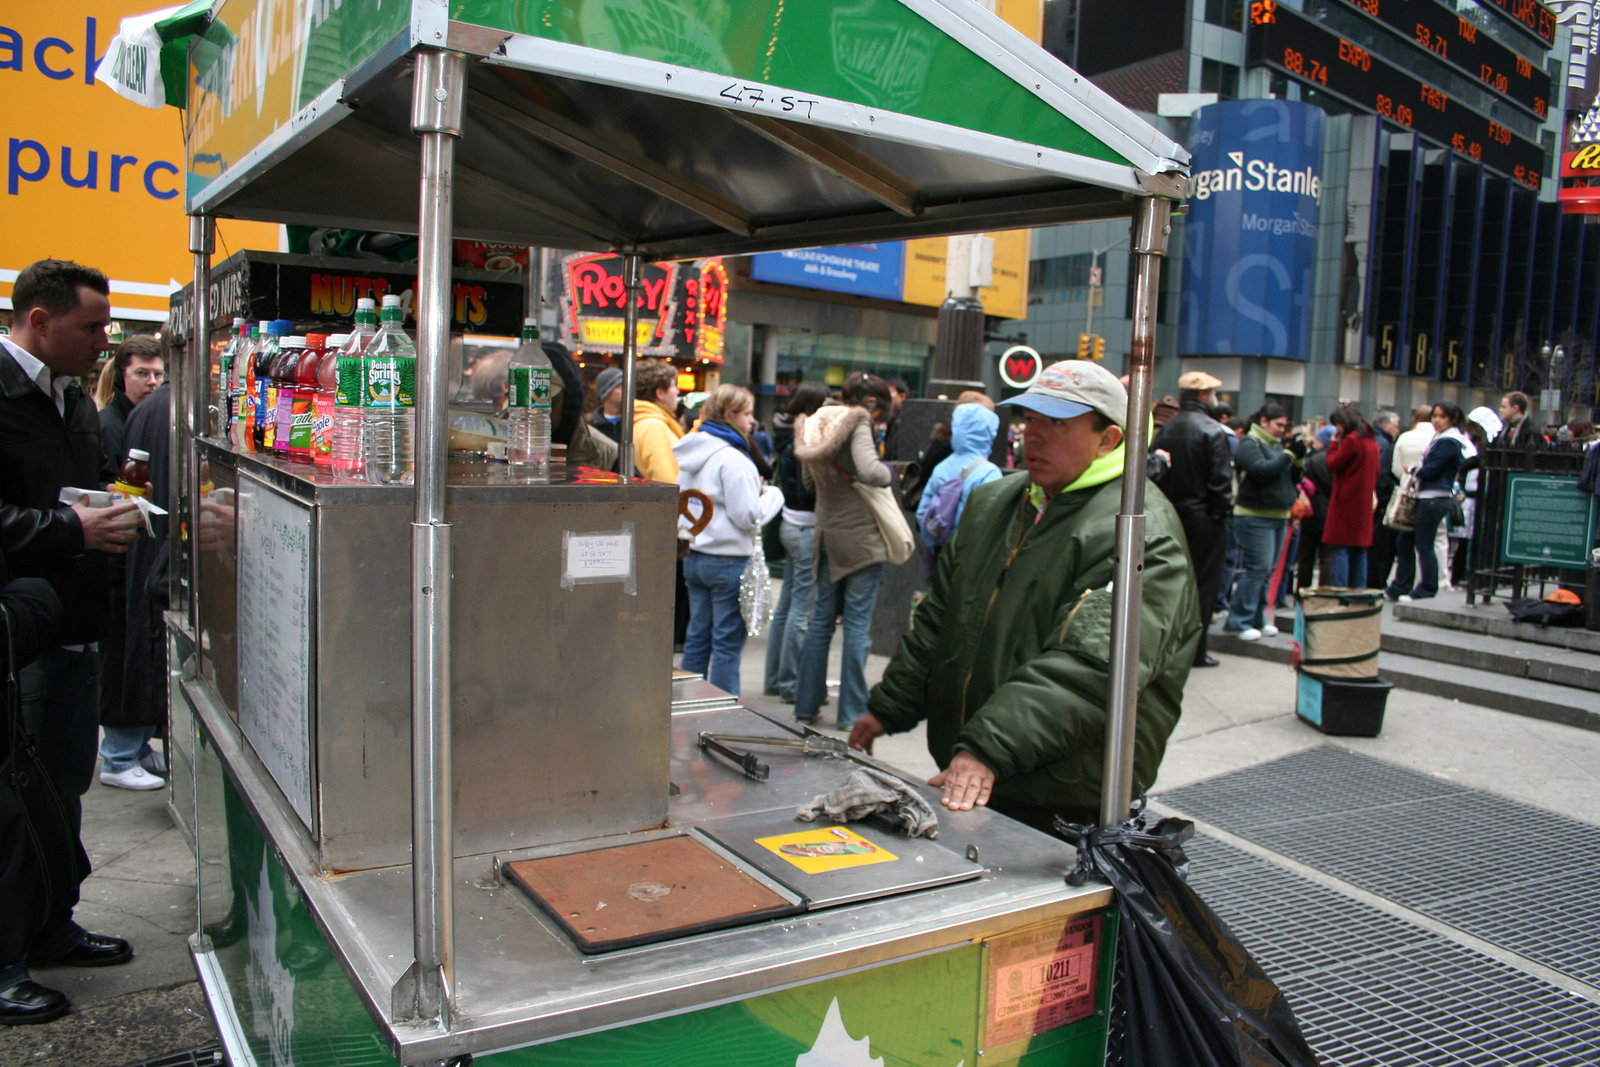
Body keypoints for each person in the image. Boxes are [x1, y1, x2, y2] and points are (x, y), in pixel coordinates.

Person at [850, 360, 1199, 828]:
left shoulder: (1139, 534)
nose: (1033, 435)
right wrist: (888, 707)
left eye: (1057, 424)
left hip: (1065, 792)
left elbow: (1090, 669)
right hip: (974, 773)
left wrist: (987, 748)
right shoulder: (996, 502)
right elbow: (939, 621)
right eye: (1031, 418)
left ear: (1108, 440)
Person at [0, 259, 144, 1008]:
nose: (104, 340)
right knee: (10, 800)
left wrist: (117, 506)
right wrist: (69, 528)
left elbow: (85, 485)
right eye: (92, 327)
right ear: (39, 321)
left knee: (60, 786)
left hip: (78, 623)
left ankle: (53, 921)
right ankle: (5, 958)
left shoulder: (75, 399)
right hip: (17, 634)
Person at [792, 373, 895, 730]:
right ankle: (851, 712)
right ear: (871, 404)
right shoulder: (858, 421)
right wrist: (888, 474)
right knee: (856, 627)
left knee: (821, 622)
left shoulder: (819, 418)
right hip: (861, 539)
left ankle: (806, 705)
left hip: (826, 533)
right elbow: (871, 470)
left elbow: (808, 481)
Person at [673, 385, 782, 696]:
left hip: (694, 556)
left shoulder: (690, 451)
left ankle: (685, 705)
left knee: (697, 636)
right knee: (726, 644)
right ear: (731, 414)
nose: (752, 421)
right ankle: (721, 713)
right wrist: (773, 497)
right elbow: (747, 515)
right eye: (747, 414)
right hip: (728, 560)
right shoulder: (732, 458)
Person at [96, 336, 168, 790]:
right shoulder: (109, 423)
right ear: (121, 373)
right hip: (117, 553)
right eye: (142, 373)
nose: (151, 381)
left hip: (132, 547)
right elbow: (120, 487)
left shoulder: (137, 415)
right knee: (126, 651)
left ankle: (135, 748)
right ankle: (119, 755)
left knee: (136, 653)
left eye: (157, 373)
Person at [1153, 370, 1233, 667]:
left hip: (1173, 516)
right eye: (1212, 392)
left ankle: (1170, 647)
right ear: (1203, 395)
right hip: (1205, 521)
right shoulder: (1212, 431)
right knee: (1203, 587)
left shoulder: (1168, 430)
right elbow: (1220, 484)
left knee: (1172, 584)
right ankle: (1196, 650)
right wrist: (1220, 516)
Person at [762, 382, 829, 704]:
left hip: (790, 525)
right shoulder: (802, 441)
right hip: (804, 529)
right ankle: (790, 684)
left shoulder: (784, 433)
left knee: (788, 604)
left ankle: (775, 679)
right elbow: (807, 491)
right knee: (801, 609)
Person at [1223, 403, 1304, 641]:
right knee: (1257, 569)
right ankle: (1239, 620)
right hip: (1254, 516)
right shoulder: (1250, 444)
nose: (1282, 430)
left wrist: (1297, 461)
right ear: (1264, 421)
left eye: (1284, 425)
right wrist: (1289, 456)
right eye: (1278, 425)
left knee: (1266, 571)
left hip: (1277, 516)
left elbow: (1289, 476)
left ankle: (1257, 618)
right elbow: (1261, 470)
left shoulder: (1275, 446)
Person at [1388, 403, 1472, 602]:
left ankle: (1426, 587)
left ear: (1451, 419)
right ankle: (1401, 586)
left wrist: (1414, 469)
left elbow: (1431, 469)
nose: (1436, 420)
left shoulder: (1449, 441)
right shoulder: (1442, 439)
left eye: (1441, 417)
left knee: (1424, 544)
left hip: (1433, 497)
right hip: (1429, 495)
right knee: (1407, 541)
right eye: (1434, 416)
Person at [914, 400, 1003, 547]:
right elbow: (991, 523)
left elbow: (922, 513)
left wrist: (935, 547)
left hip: (939, 552)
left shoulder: (942, 467)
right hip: (968, 556)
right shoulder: (989, 473)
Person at [1322, 404, 1381, 588]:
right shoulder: (1371, 441)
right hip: (1363, 502)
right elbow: (1377, 470)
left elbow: (1332, 464)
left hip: (1346, 501)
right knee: (1359, 550)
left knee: (1341, 548)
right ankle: (1358, 591)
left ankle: (1340, 590)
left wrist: (1332, 445)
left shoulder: (1351, 441)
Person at [631, 359, 684, 483]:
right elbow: (668, 483)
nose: (677, 391)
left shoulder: (642, 421)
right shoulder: (654, 427)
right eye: (673, 385)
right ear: (660, 393)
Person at [1296, 425, 1335, 593]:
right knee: (1327, 556)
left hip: (1311, 511)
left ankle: (1301, 592)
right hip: (1330, 512)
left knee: (1306, 556)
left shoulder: (1311, 460)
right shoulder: (1334, 461)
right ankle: (1323, 592)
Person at [1369, 410, 1400, 591]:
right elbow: (1382, 475)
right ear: (1386, 425)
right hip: (1379, 502)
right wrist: (1383, 499)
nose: (1397, 430)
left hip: (1373, 499)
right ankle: (1376, 582)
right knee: (1381, 548)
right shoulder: (1384, 445)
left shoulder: (1377, 441)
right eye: (1395, 426)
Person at [587, 366, 625, 443]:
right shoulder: (591, 426)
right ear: (606, 392)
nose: (626, 390)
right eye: (620, 387)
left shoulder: (634, 422)